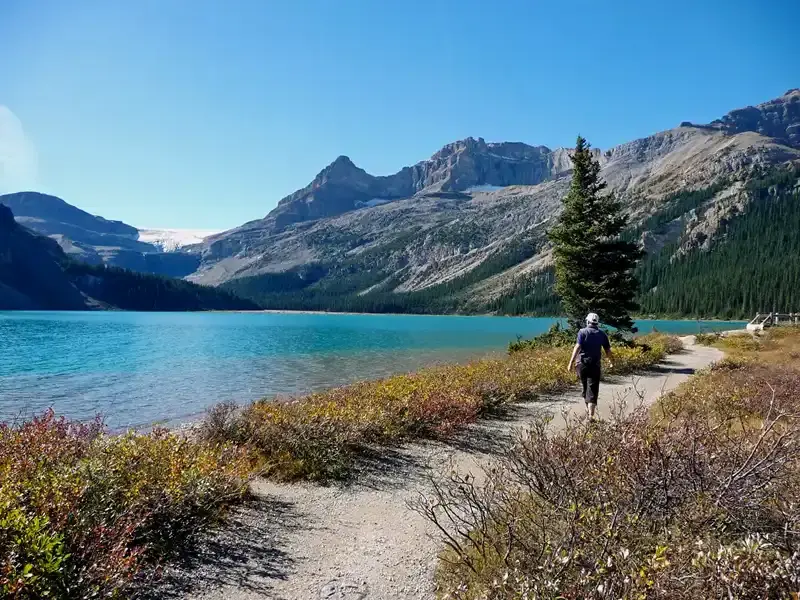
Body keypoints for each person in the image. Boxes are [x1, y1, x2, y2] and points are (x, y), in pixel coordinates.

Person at [566, 313, 613, 420]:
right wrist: (611, 362)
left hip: (582, 365)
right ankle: (591, 416)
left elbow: (577, 347)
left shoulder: (582, 332)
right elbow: (608, 350)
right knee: (592, 388)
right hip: (595, 365)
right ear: (597, 323)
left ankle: (588, 409)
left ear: (587, 321)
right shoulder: (602, 334)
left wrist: (570, 362)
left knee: (585, 387)